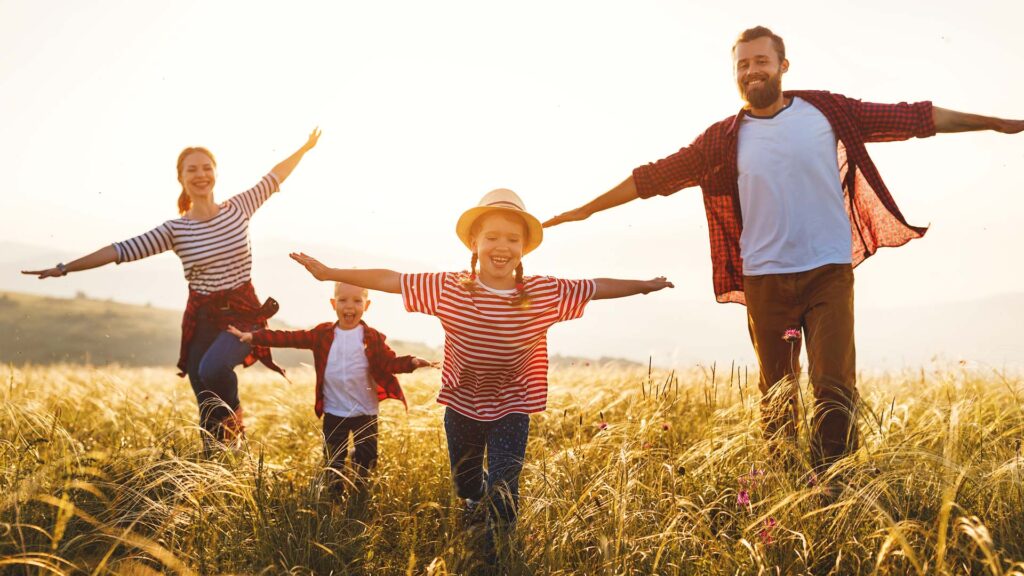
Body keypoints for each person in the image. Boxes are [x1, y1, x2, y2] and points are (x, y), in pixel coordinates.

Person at [543, 26, 1024, 475]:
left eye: (761, 62)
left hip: (827, 274)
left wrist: (995, 124)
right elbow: (652, 178)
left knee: (834, 386)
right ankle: (783, 482)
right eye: (742, 65)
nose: (752, 72)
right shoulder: (721, 140)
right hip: (765, 280)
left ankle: (834, 481)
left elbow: (914, 116)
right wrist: (584, 211)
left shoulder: (828, 112)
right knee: (777, 393)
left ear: (783, 66)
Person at [289, 188, 673, 560]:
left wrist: (644, 286)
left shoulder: (543, 293)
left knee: (505, 485)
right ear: (474, 242)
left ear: (523, 247)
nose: (501, 247)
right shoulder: (449, 288)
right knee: (468, 483)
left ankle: (496, 555)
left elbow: (595, 287)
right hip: (461, 405)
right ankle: (475, 502)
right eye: (491, 237)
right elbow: (393, 279)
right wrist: (330, 273)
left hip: (513, 405)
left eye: (512, 239)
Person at [22, 128, 322, 454]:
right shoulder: (175, 230)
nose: (200, 174)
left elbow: (274, 177)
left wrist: (304, 149)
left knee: (214, 369)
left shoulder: (240, 207)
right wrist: (65, 268)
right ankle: (213, 459)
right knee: (202, 387)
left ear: (216, 173)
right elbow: (120, 250)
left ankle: (237, 439)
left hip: (243, 312)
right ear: (180, 178)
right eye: (191, 169)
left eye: (206, 167)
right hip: (203, 318)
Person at [227, 282, 433, 492]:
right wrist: (254, 336)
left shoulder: (372, 338)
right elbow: (288, 337)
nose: (349, 306)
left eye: (356, 301)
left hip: (366, 411)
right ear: (334, 304)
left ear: (367, 305)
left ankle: (359, 492)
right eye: (343, 300)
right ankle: (334, 497)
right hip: (334, 410)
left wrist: (411, 362)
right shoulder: (323, 334)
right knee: (333, 460)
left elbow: (389, 363)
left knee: (368, 459)